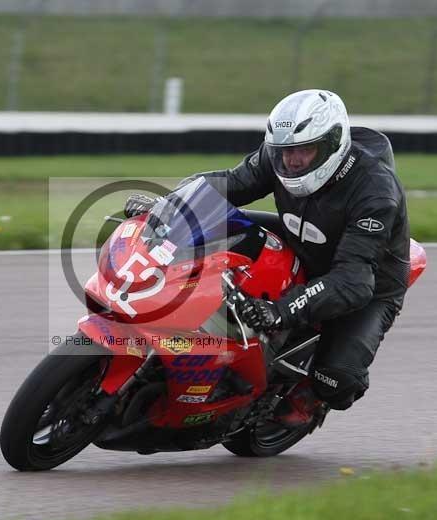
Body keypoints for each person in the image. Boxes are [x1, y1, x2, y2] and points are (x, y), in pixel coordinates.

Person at [124, 89, 410, 425]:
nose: (292, 160)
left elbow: (353, 281)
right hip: (301, 240)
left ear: (332, 144)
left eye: (304, 149)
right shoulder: (276, 158)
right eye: (284, 150)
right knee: (207, 226)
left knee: (336, 380)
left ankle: (306, 398)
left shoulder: (375, 190)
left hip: (369, 283)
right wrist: (167, 206)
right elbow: (228, 185)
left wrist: (279, 311)